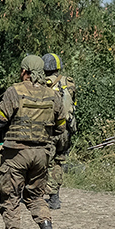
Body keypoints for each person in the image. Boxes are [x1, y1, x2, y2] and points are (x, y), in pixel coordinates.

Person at [0, 55, 65, 229]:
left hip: (16, 154)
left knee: (11, 198)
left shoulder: (14, 91)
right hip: (41, 156)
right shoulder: (53, 95)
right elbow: (61, 126)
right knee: (36, 197)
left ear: (25, 72)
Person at [42, 53, 76, 210]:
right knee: (58, 162)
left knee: (44, 162)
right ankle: (55, 197)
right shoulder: (68, 82)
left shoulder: (43, 84)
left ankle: (40, 194)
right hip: (66, 130)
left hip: (51, 129)